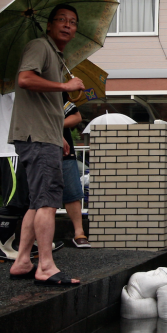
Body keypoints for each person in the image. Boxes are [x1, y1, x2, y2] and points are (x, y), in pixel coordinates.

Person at [8, 4, 85, 286]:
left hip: (45, 136)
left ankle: (22, 261)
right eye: (61, 20)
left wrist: (59, 136)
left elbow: (48, 106)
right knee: (49, 202)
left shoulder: (55, 54)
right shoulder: (40, 46)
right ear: (50, 24)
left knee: (37, 202)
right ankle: (45, 266)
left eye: (73, 22)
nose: (67, 25)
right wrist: (65, 87)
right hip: (37, 137)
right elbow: (25, 79)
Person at [0, 93, 64, 262]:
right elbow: (32, 106)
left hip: (27, 147)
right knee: (14, 200)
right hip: (12, 150)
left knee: (30, 200)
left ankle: (30, 244)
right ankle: (2, 247)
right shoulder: (16, 81)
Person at [62, 92, 90, 248]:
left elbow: (76, 117)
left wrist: (55, 124)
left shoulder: (59, 93)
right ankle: (40, 238)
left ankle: (79, 232)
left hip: (65, 153)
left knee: (72, 191)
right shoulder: (33, 94)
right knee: (43, 197)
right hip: (41, 150)